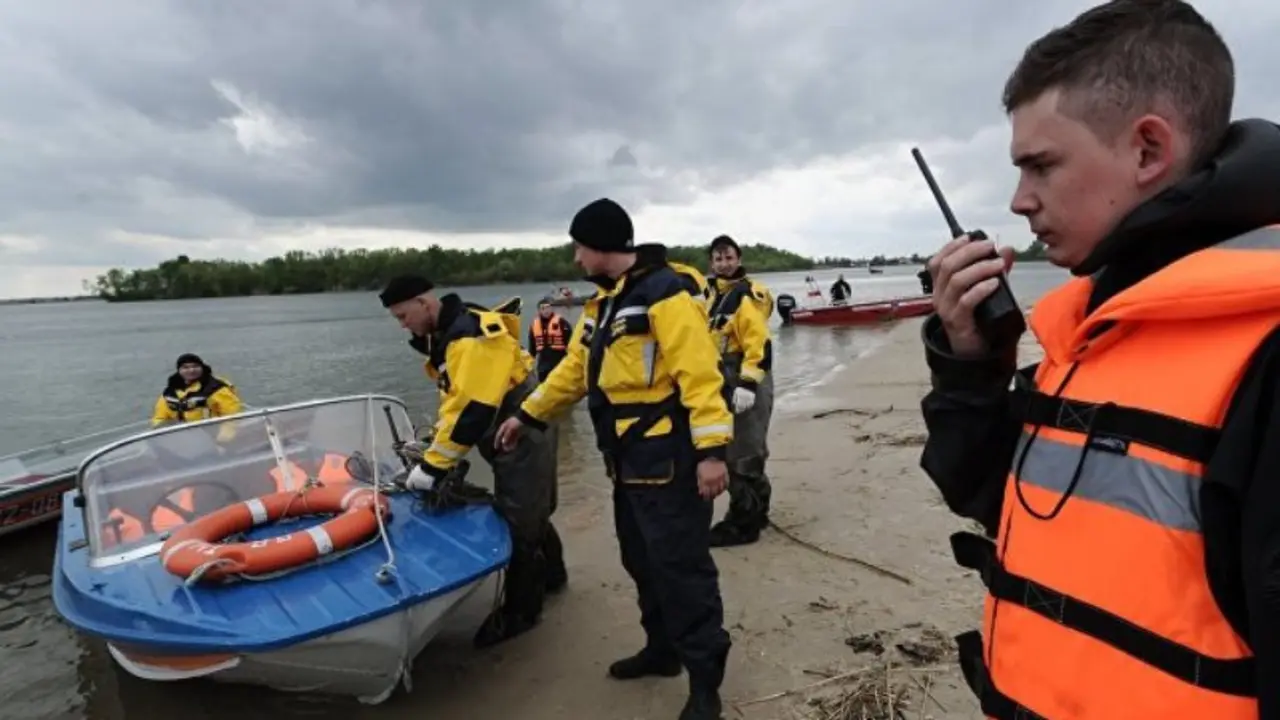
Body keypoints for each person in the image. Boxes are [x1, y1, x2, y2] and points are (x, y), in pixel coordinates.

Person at [919, 2, 1280, 718]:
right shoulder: (1097, 321)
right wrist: (973, 369)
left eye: (1041, 165)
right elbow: (1008, 505)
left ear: (1148, 149)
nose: (1020, 200)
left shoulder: (1264, 352)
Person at [495, 197, 733, 720]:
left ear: (602, 245)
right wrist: (528, 416)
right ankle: (662, 650)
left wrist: (712, 453)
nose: (577, 258)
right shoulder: (603, 307)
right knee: (640, 560)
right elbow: (575, 371)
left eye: (580, 247)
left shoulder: (666, 294)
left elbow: (700, 375)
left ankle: (705, 683)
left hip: (670, 456)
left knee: (680, 569)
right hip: (628, 462)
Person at [378, 275, 567, 648]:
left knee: (519, 516)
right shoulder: (451, 333)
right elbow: (457, 402)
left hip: (519, 426)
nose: (402, 326)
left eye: (403, 316)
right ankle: (554, 577)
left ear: (424, 303)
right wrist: (434, 447)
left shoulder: (469, 337)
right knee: (531, 506)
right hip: (511, 423)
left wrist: (433, 468)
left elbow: (474, 410)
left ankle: (521, 613)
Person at [705, 234, 775, 547]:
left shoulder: (746, 295)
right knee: (736, 444)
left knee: (743, 448)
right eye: (718, 259)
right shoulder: (712, 295)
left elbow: (759, 343)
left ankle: (744, 522)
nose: (724, 263)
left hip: (744, 375)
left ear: (739, 258)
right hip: (722, 375)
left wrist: (747, 383)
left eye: (729, 258)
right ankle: (757, 511)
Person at [151, 353, 243, 443]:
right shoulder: (170, 392)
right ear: (179, 370)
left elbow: (232, 414)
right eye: (185, 367)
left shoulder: (216, 388)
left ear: (202, 367)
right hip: (182, 437)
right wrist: (160, 433)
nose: (191, 370)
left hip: (212, 437)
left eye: (195, 366)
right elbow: (159, 417)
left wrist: (224, 438)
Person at [528, 298, 570, 380]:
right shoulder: (534, 325)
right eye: (543, 308)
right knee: (543, 383)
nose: (546, 310)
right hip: (543, 364)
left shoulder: (561, 322)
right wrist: (529, 364)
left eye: (548, 307)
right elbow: (532, 348)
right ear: (539, 310)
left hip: (559, 361)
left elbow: (570, 341)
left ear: (552, 308)